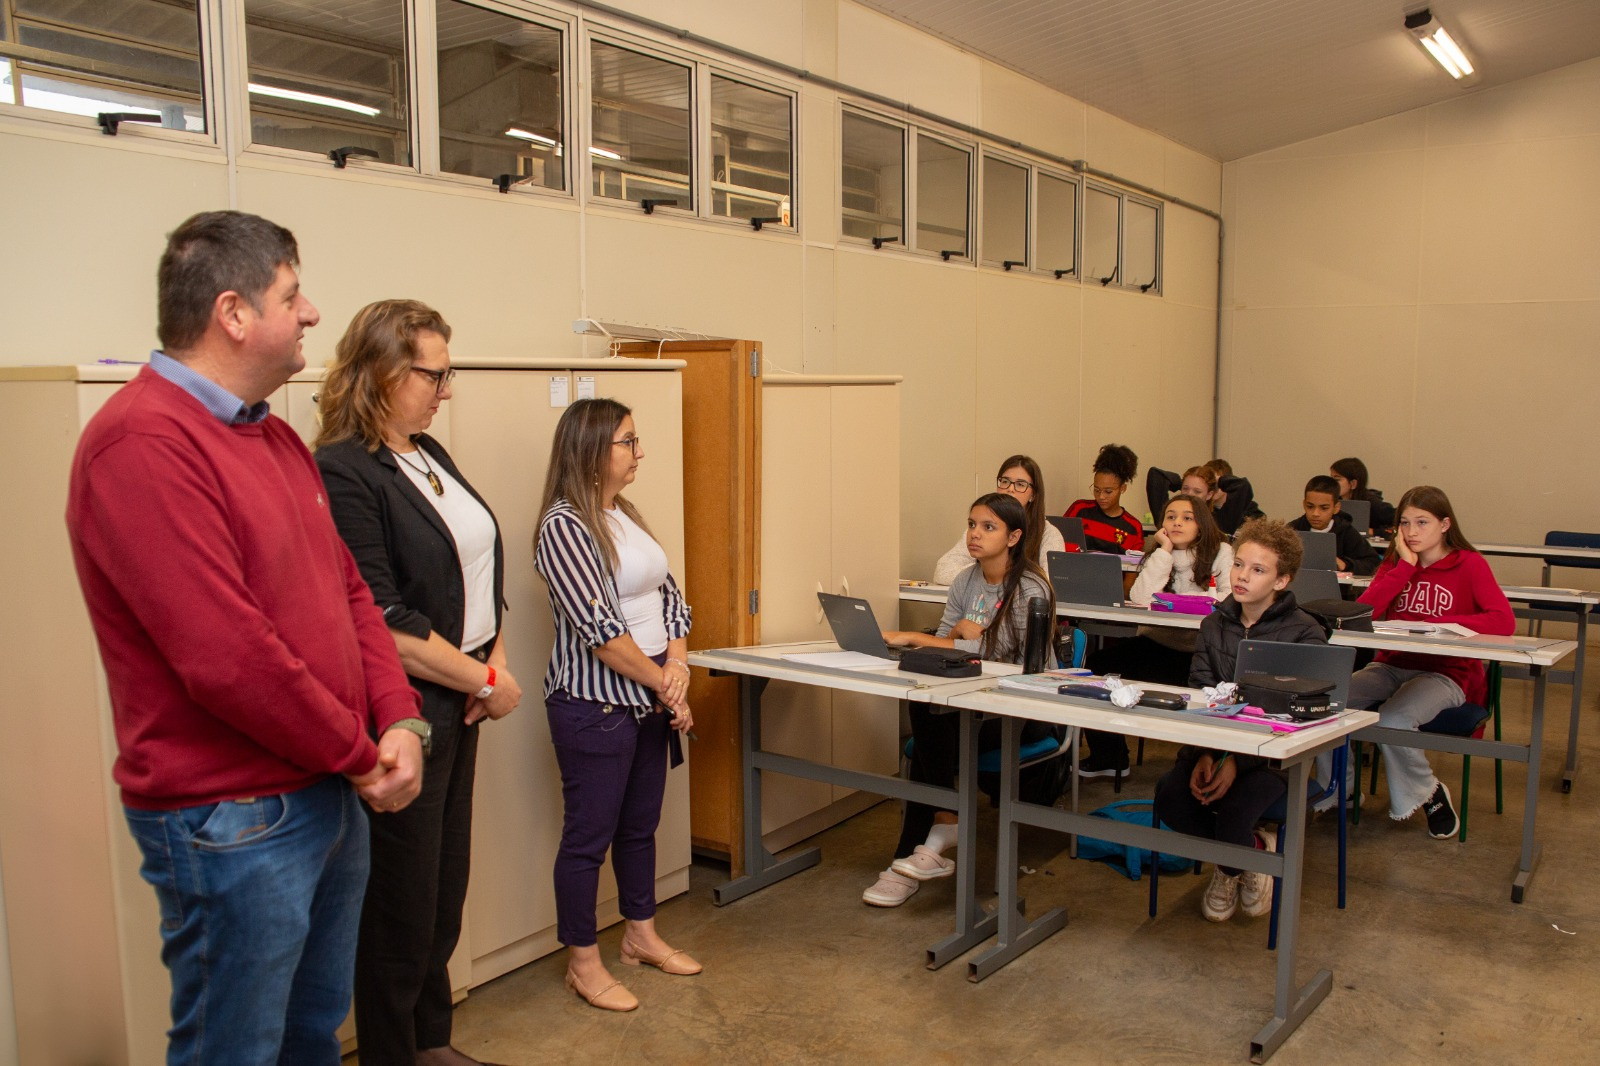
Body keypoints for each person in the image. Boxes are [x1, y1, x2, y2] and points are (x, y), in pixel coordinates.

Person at [64, 211, 426, 1066]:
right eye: (292, 296)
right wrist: (359, 753)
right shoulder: (141, 443)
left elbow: (348, 592)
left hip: (326, 791)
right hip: (236, 816)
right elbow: (228, 658)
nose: (311, 313)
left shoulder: (271, 435)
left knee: (309, 1035)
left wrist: (400, 717)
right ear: (233, 312)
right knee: (235, 1049)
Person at [314, 300, 521, 1066]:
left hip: (462, 695)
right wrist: (488, 680)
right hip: (408, 708)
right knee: (399, 910)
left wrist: (491, 666)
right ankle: (394, 1053)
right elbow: (383, 622)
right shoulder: (343, 469)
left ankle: (433, 1044)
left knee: (441, 893)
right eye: (434, 375)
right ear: (382, 373)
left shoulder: (426, 451)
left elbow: (477, 569)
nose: (447, 389)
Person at [534, 398, 697, 1013]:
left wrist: (678, 668)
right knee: (588, 838)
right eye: (628, 441)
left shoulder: (623, 513)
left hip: (651, 696)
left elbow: (671, 599)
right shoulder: (564, 528)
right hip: (594, 707)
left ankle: (640, 936)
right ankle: (583, 962)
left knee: (639, 828)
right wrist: (665, 685)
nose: (639, 452)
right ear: (591, 448)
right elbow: (600, 632)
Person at [869, 493, 1057, 906]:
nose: (975, 534)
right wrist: (956, 635)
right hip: (971, 701)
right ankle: (934, 837)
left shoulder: (1031, 587)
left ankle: (913, 855)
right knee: (927, 713)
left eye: (988, 527)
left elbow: (996, 652)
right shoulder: (965, 581)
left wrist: (913, 637)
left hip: (1024, 710)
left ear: (1013, 537)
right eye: (972, 524)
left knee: (929, 739)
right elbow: (949, 643)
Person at [1154, 519, 1326, 921]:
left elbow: (1299, 716)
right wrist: (1207, 754)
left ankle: (1231, 868)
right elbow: (1201, 694)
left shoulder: (1305, 632)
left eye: (1258, 569)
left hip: (1275, 759)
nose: (1242, 576)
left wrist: (1237, 760)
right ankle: (1253, 852)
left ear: (1281, 580)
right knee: (1171, 798)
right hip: (1215, 744)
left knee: (1234, 809)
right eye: (1239, 564)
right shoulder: (1214, 623)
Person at [1350, 486, 1514, 838]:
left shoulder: (1469, 563)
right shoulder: (1395, 563)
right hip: (1390, 665)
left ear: (1445, 524)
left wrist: (1442, 624)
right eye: (1404, 523)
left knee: (1394, 718)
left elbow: (1503, 620)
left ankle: (1430, 793)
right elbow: (1362, 614)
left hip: (1446, 673)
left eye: (1422, 522)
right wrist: (1403, 569)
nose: (1412, 532)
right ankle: (1340, 789)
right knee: (1330, 700)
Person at [1079, 496, 1233, 778]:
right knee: (1096, 667)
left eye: (1187, 517)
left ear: (1201, 524)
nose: (1177, 523)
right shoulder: (1159, 552)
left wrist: (1182, 601)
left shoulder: (1220, 551)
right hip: (1155, 643)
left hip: (1198, 652)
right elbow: (1140, 597)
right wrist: (1165, 551)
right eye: (1171, 516)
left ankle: (1203, 762)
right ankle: (1110, 757)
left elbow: (1228, 597)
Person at [932, 454, 1066, 583]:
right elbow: (943, 572)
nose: (1010, 489)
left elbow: (1052, 581)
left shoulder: (1049, 533)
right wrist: (988, 569)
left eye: (1020, 484)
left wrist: (994, 571)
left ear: (1033, 495)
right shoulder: (980, 527)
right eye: (1005, 481)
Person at [1289, 474, 1380, 577]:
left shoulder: (1346, 531)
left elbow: (1373, 563)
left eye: (1324, 508)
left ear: (1336, 508)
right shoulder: (1292, 530)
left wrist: (1345, 565)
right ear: (1304, 504)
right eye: (1310, 506)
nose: (1315, 513)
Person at [1064, 443, 1144, 554]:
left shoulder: (1133, 528)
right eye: (1097, 490)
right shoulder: (1079, 509)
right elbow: (1058, 540)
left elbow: (1134, 563)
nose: (1101, 496)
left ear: (1122, 488)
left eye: (1108, 491)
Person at [1331, 457, 1396, 534]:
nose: (1332, 483)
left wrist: (1374, 531)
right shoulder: (1334, 501)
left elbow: (1399, 520)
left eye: (1337, 479)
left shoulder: (1372, 503)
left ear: (1353, 484)